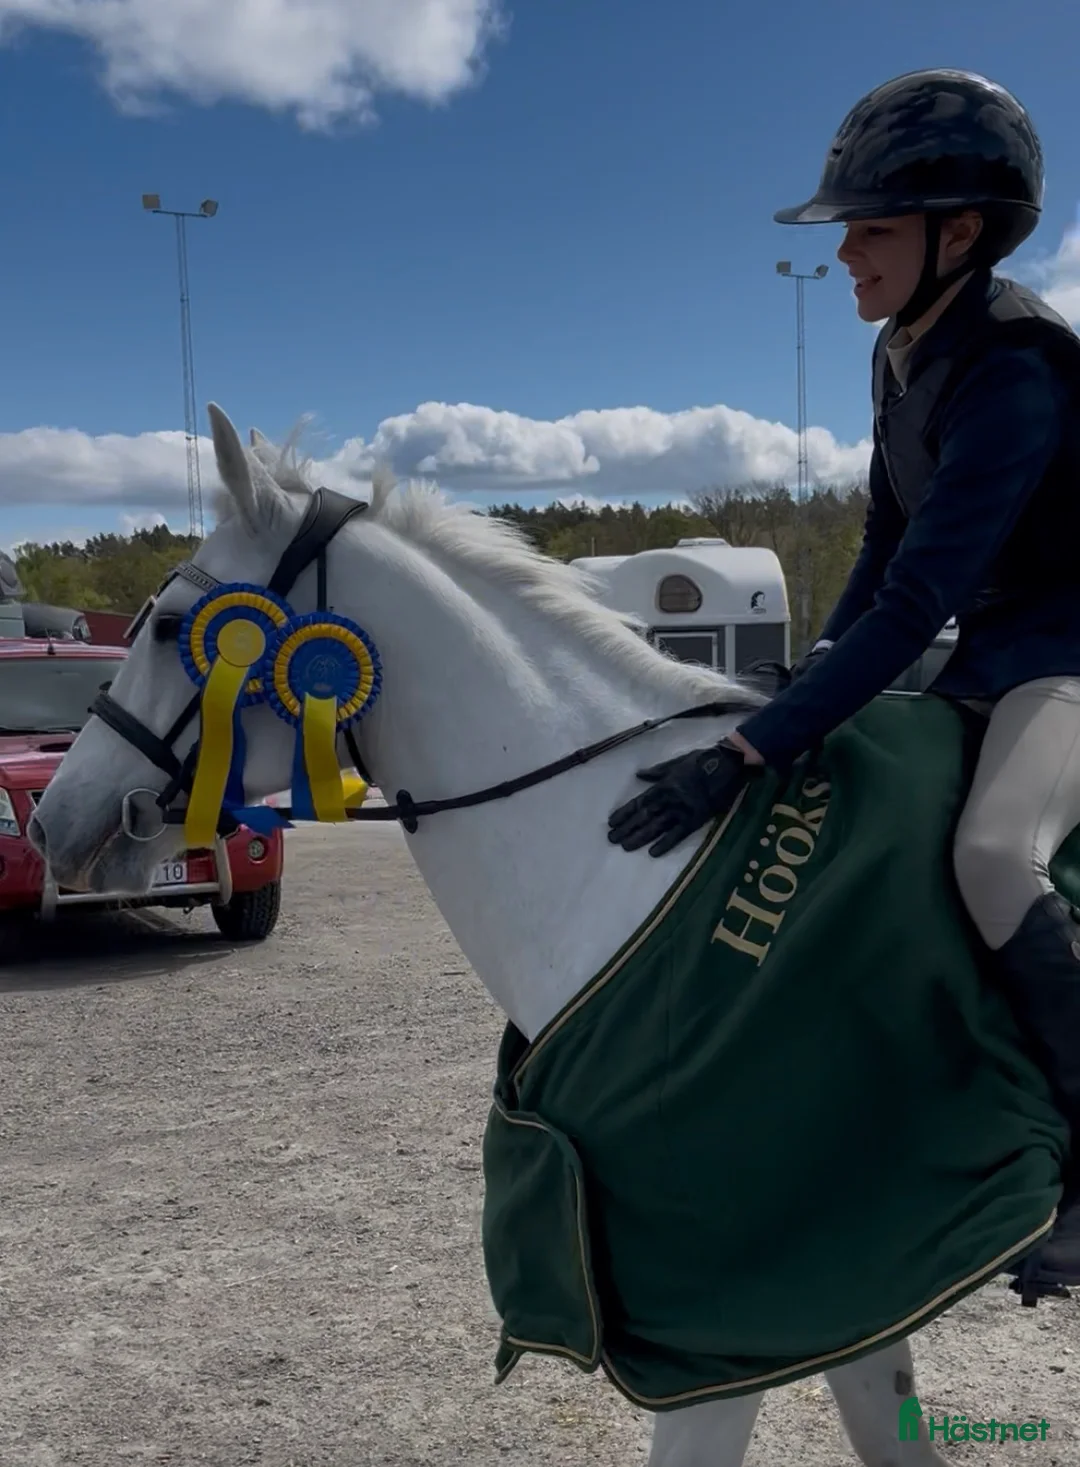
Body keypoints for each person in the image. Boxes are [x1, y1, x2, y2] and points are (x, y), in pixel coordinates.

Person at [607, 68, 1080, 1291]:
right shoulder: (902, 353)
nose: (847, 257)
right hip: (990, 657)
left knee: (993, 856)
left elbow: (923, 592)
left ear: (959, 232)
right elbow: (880, 546)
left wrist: (749, 747)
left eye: (871, 229)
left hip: (1068, 659)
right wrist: (810, 672)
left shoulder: (1019, 367)